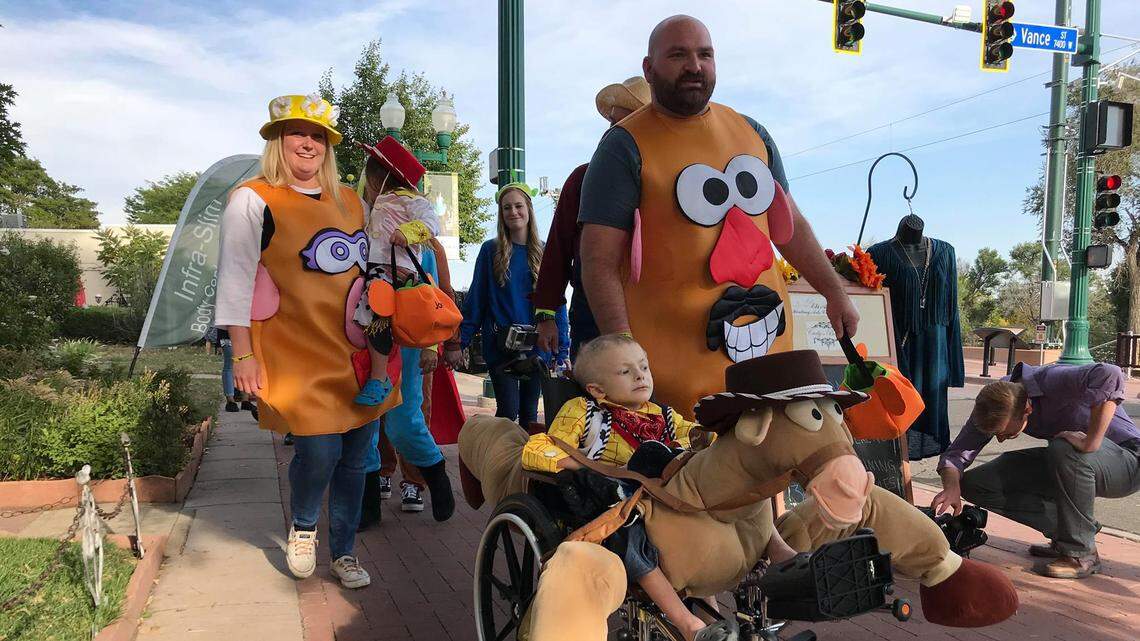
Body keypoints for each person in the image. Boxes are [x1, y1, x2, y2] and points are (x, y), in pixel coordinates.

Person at [577, 15, 860, 419]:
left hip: (769, 355)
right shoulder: (622, 147)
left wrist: (834, 292)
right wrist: (623, 352)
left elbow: (789, 228)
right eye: (678, 55)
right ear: (649, 68)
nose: (694, 65)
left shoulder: (752, 132)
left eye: (704, 54)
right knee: (694, 480)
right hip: (673, 379)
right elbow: (599, 261)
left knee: (772, 469)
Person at [216, 93, 398, 589]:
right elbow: (234, 280)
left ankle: (343, 551)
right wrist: (243, 354)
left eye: (318, 136)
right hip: (296, 355)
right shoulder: (253, 199)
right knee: (318, 452)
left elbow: (377, 275)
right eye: (298, 133)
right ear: (277, 140)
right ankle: (302, 526)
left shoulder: (352, 200)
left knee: (358, 457)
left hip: (357, 352)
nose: (308, 143)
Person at [523, 334, 780, 641]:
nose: (640, 375)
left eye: (644, 367)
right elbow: (541, 447)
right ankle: (688, 623)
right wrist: (586, 467)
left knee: (730, 490)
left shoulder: (663, 415)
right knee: (630, 531)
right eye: (625, 371)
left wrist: (716, 438)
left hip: (670, 496)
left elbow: (699, 435)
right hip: (617, 502)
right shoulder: (585, 411)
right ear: (596, 389)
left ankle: (775, 553)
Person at [932, 362, 1140, 579]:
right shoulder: (995, 400)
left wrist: (1091, 441)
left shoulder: (1050, 380)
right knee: (975, 484)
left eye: (1004, 433)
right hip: (1070, 463)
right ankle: (1068, 535)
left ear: (1027, 410)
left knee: (1063, 448)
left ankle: (1081, 553)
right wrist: (951, 486)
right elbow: (956, 454)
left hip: (1127, 460)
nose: (1000, 440)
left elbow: (1110, 373)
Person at [533, 77, 651, 361]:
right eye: (613, 124)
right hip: (591, 305)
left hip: (654, 301)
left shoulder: (667, 176)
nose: (615, 132)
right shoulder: (583, 178)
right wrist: (546, 314)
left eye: (626, 124)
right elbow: (558, 249)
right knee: (594, 391)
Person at [447, 183, 569, 427]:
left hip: (537, 348)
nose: (513, 212)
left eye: (518, 206)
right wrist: (458, 342)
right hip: (502, 347)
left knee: (529, 416)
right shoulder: (491, 251)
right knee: (507, 411)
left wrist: (562, 350)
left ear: (529, 209)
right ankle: (495, 460)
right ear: (501, 214)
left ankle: (523, 463)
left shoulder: (545, 252)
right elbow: (476, 300)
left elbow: (558, 306)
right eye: (506, 208)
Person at [358, 245, 454, 527]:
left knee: (404, 422)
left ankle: (435, 472)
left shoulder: (422, 240)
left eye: (390, 194)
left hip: (409, 338)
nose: (384, 197)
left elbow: (433, 295)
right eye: (378, 194)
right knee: (365, 421)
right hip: (365, 337)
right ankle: (368, 503)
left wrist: (431, 345)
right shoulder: (358, 225)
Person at [351, 137, 440, 406]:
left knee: (374, 309)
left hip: (400, 270)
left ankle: (379, 377)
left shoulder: (410, 200)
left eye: (371, 176)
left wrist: (408, 232)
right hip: (376, 269)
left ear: (382, 176)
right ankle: (377, 372)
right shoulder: (371, 204)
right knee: (372, 314)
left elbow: (432, 223)